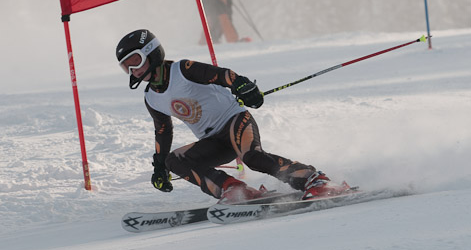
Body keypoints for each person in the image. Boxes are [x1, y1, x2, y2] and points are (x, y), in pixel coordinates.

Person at [116, 29, 352, 202]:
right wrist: (159, 167)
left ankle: (315, 179)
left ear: (151, 52)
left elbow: (223, 75)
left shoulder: (182, 69)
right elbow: (163, 131)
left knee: (253, 157)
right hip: (213, 141)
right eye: (127, 66)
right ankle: (234, 190)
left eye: (135, 61)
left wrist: (243, 86)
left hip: (234, 121)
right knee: (174, 161)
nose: (133, 70)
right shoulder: (151, 98)